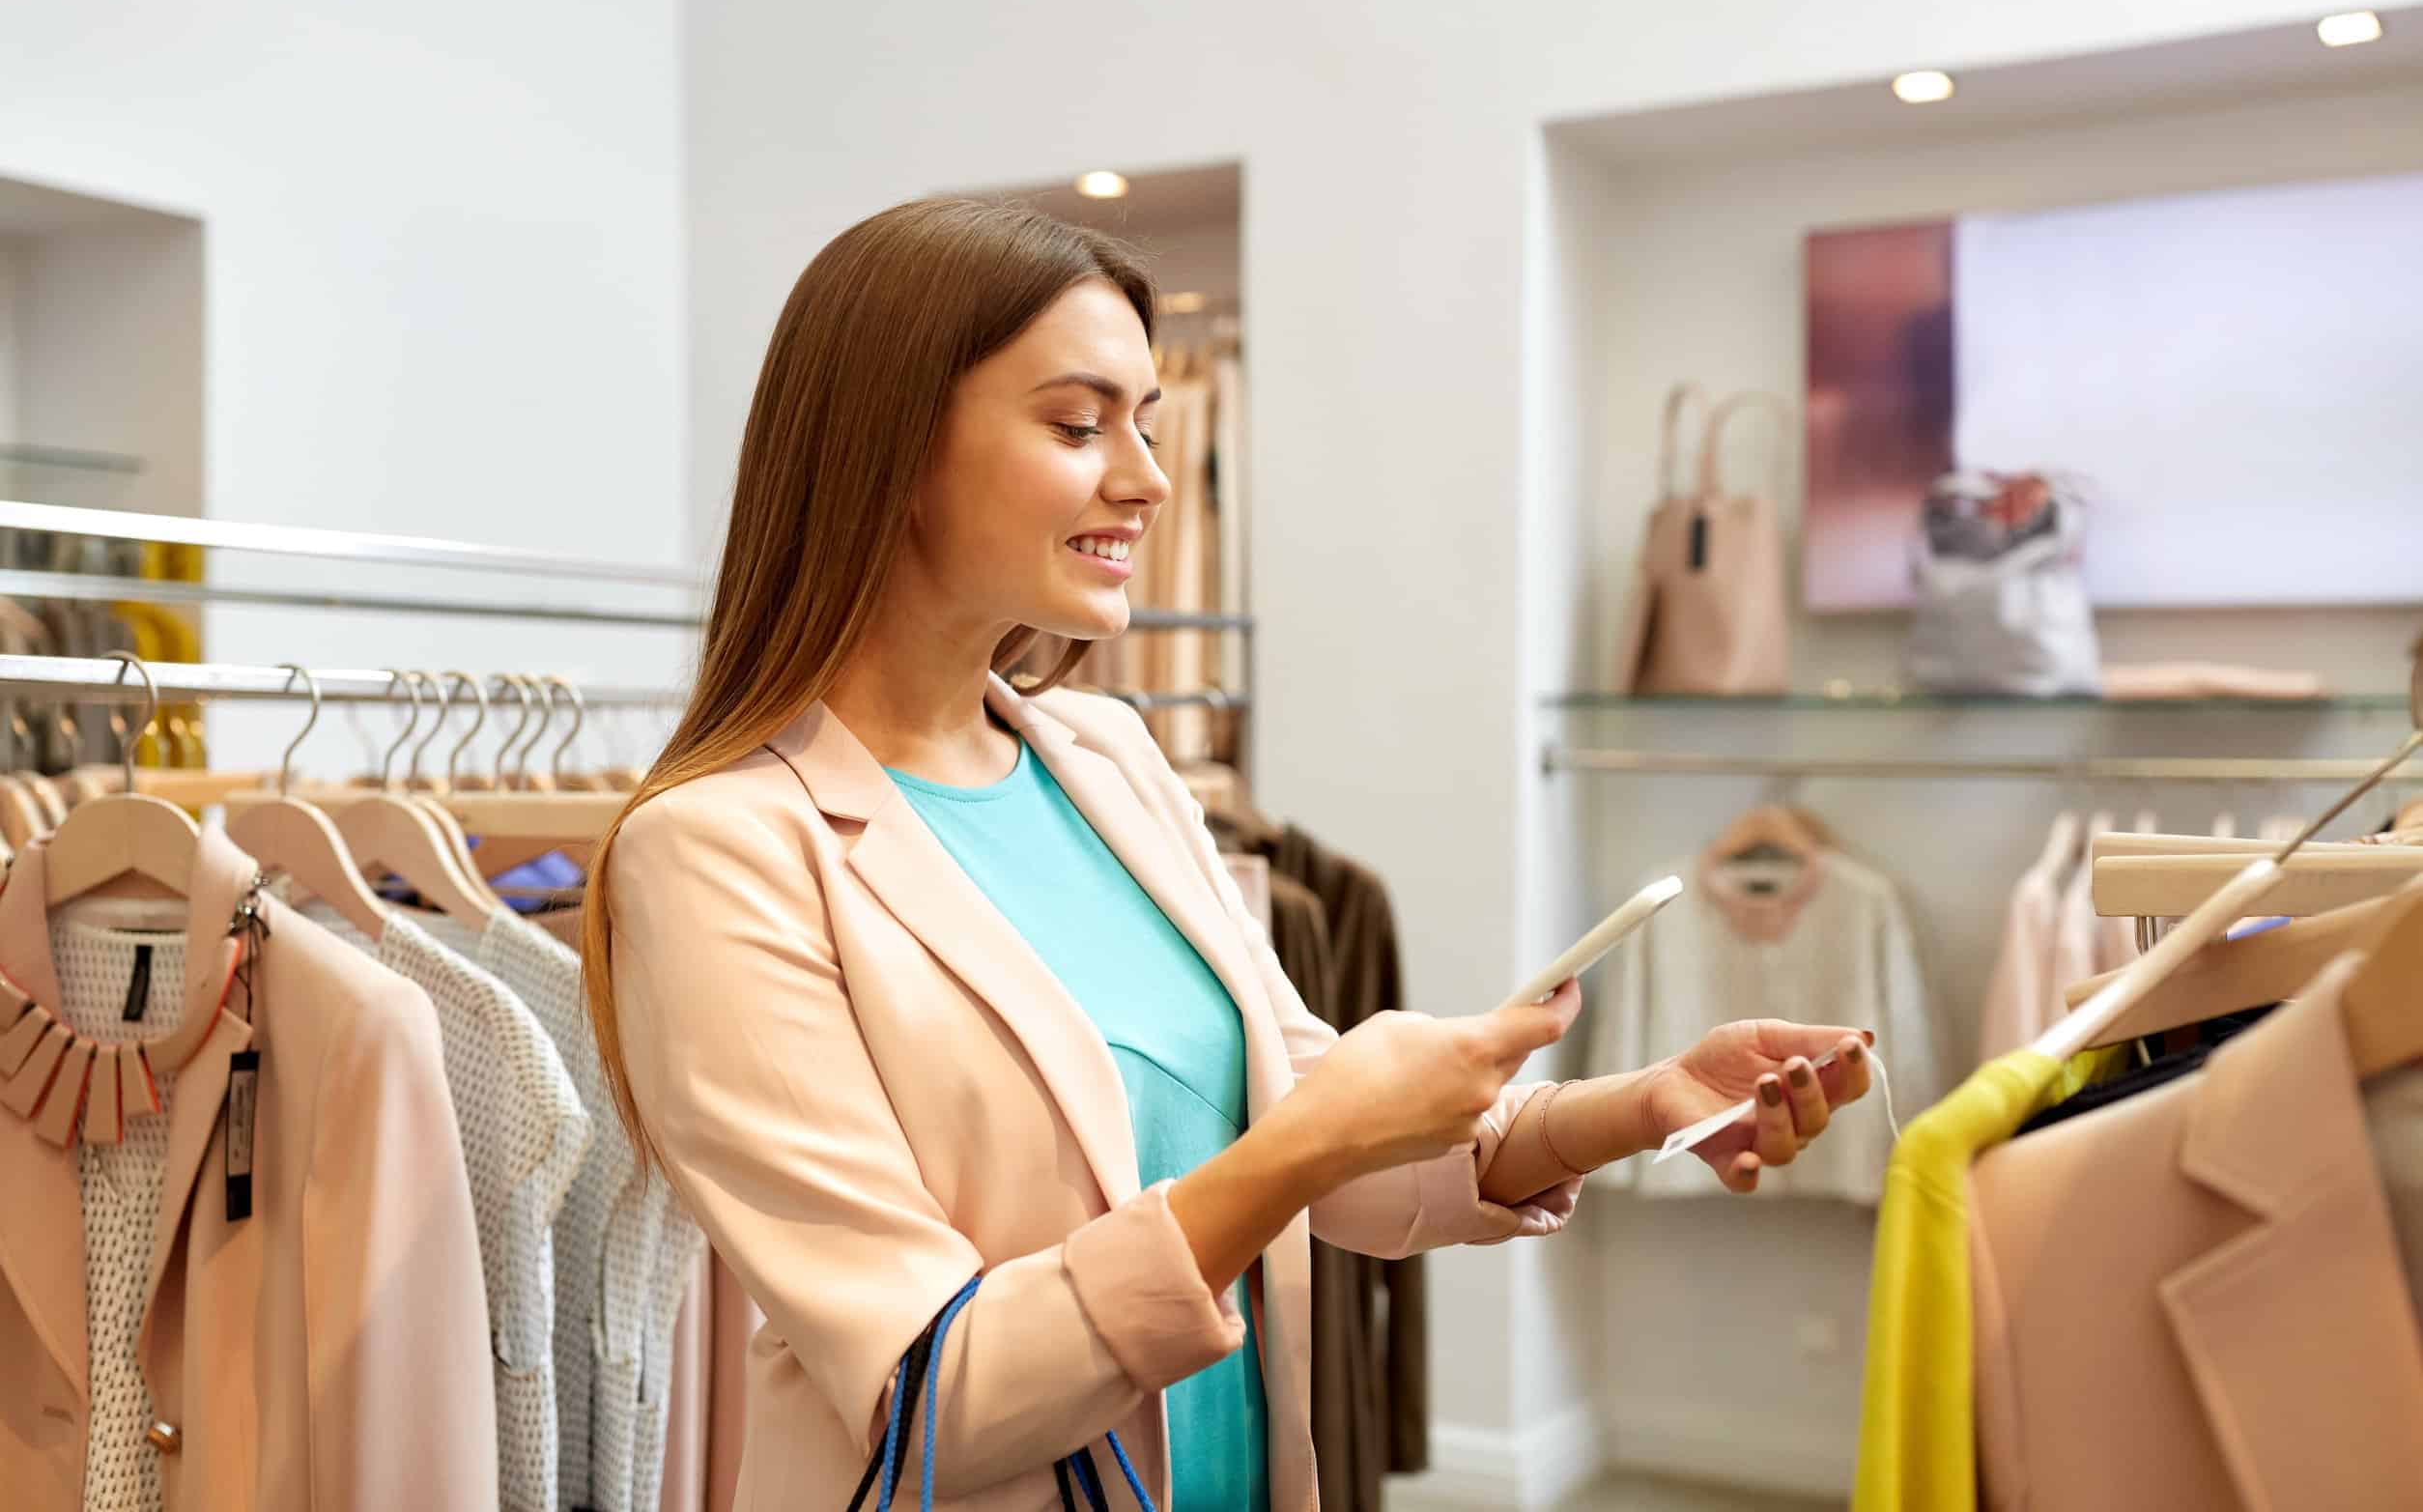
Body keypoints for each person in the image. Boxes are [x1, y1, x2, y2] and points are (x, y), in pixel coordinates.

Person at [581, 198, 1872, 1509]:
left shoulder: (1107, 759)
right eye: (1078, 426)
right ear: (889, 447)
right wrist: (1297, 1157)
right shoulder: (716, 852)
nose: (1145, 479)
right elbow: (931, 1398)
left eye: (1146, 423)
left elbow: (1304, 1107)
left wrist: (1637, 1107)